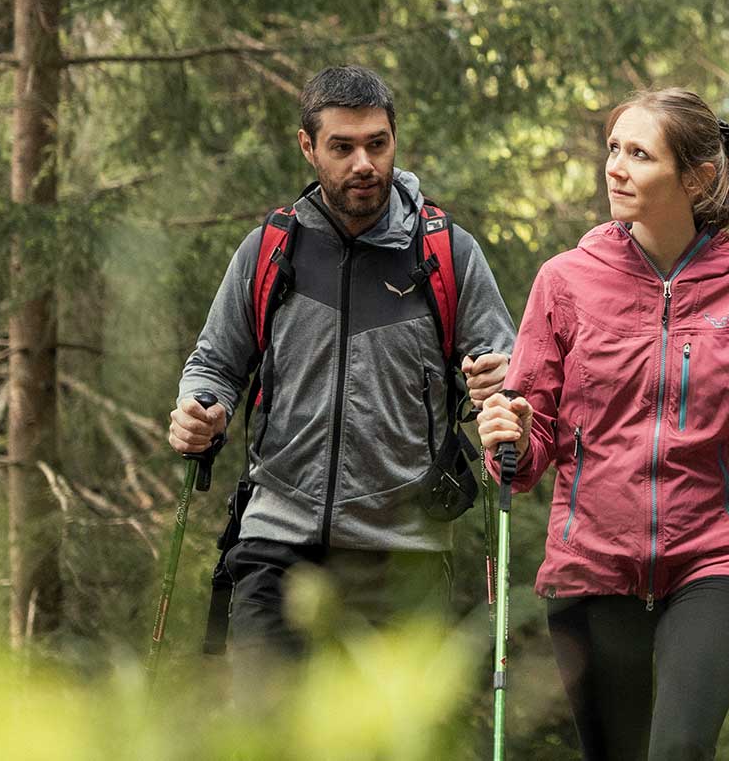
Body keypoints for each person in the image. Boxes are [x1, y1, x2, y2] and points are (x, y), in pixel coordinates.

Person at [480, 87, 729, 761]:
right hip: (591, 563)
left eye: (637, 153)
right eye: (612, 148)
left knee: (679, 749)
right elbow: (530, 444)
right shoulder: (565, 282)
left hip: (709, 559)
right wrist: (510, 432)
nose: (613, 166)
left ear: (696, 176)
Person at [169, 65, 514, 657]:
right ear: (308, 147)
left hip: (404, 559)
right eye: (343, 147)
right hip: (275, 545)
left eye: (377, 144)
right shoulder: (271, 251)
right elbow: (215, 365)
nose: (364, 164)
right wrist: (200, 410)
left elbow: (508, 371)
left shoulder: (444, 252)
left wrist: (498, 382)